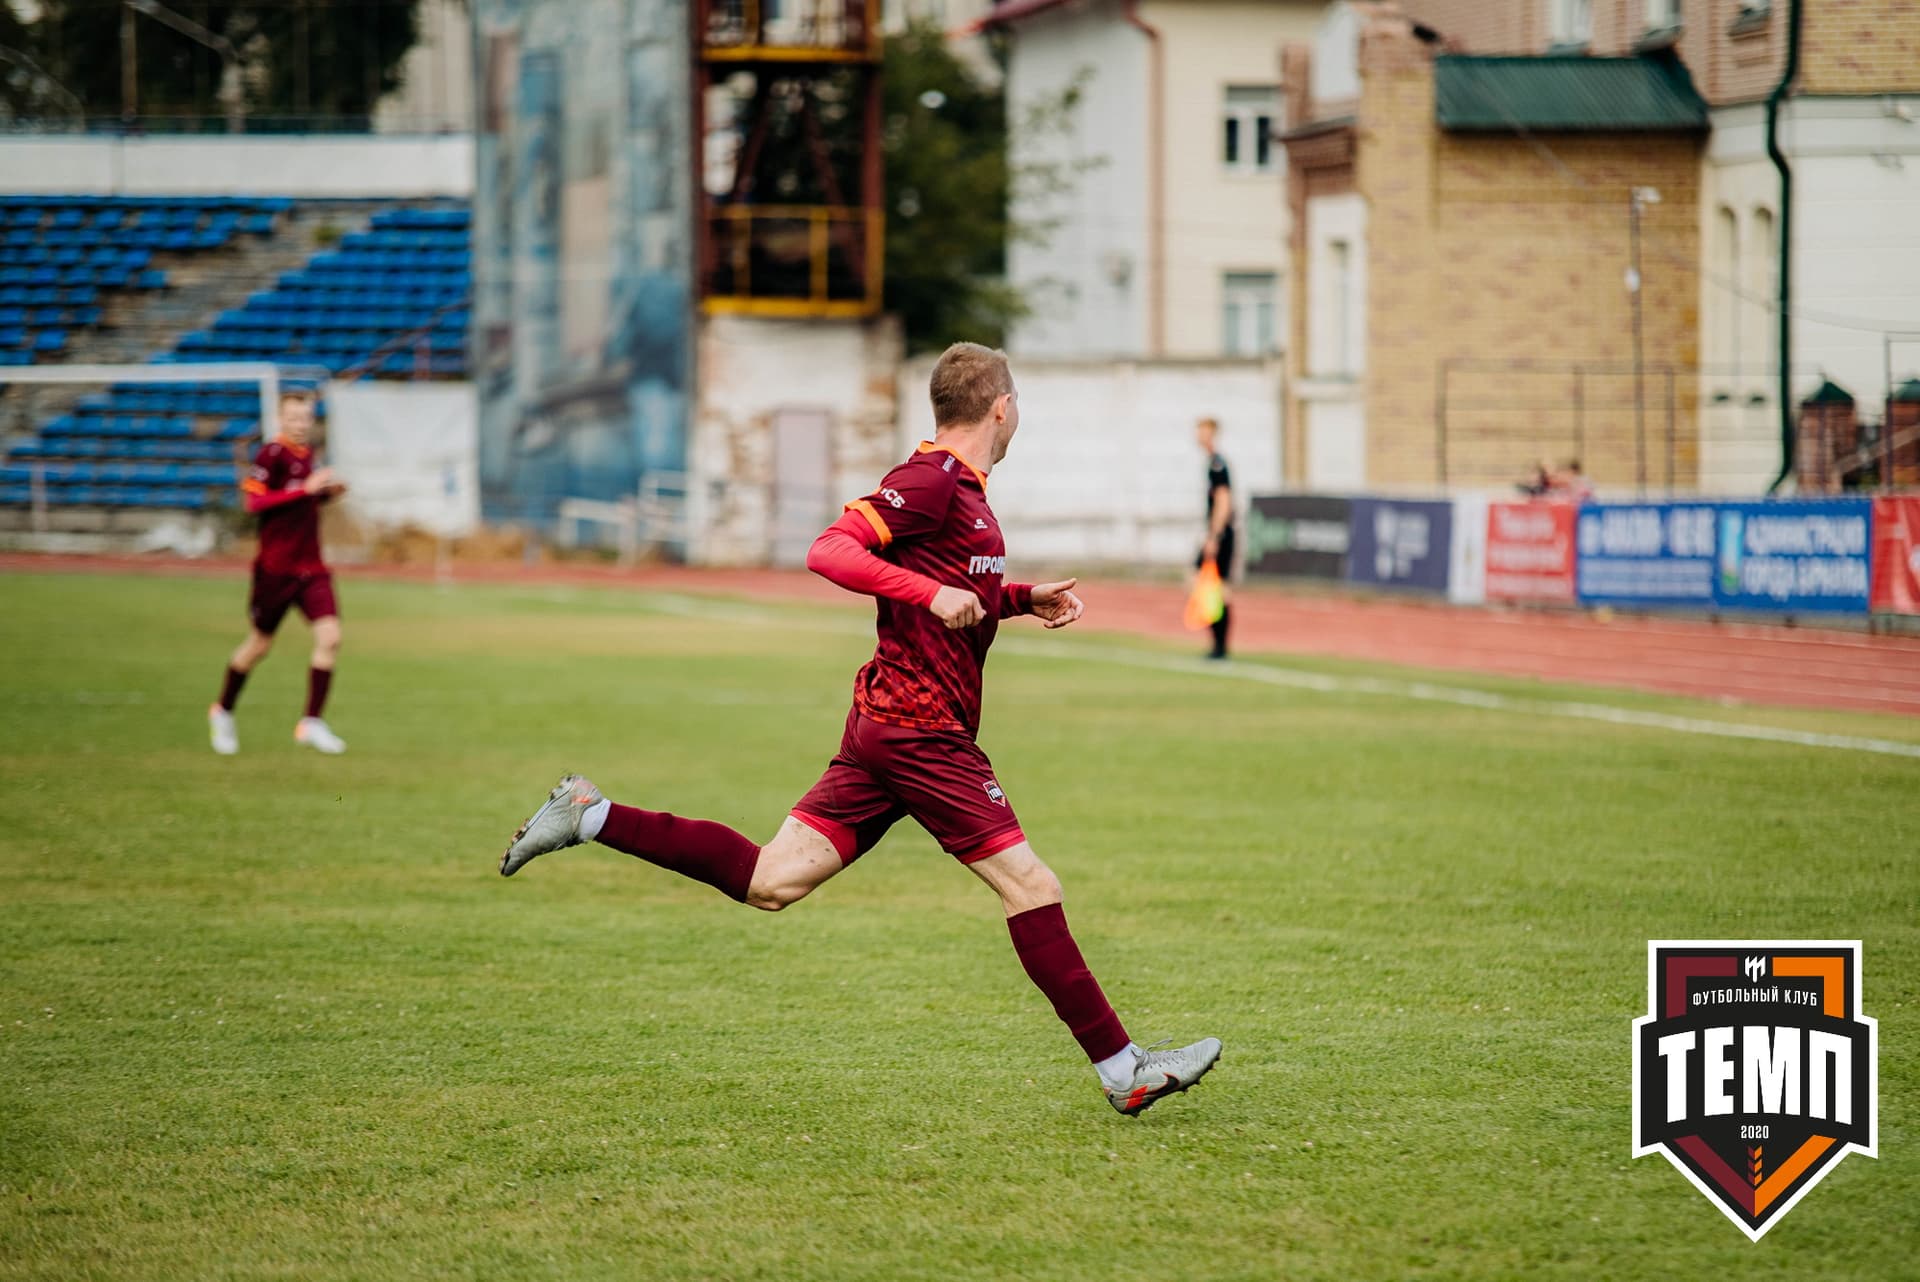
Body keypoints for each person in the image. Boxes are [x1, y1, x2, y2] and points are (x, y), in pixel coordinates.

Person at [498, 342, 1222, 1116]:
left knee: (772, 881)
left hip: (887, 726)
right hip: (920, 730)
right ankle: (1124, 1071)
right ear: (1002, 407)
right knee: (1031, 885)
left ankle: (590, 814)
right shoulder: (931, 480)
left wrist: (1018, 597)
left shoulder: (964, 491)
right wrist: (927, 594)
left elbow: (957, 587)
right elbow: (829, 550)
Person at [207, 390, 349, 755]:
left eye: (306, 418)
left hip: (311, 567)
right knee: (258, 645)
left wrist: (327, 493)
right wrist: (305, 489)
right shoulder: (271, 454)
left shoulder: (308, 456)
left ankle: (312, 722)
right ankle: (223, 710)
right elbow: (254, 502)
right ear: (281, 419)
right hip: (276, 569)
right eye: (294, 418)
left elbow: (304, 500)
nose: (301, 424)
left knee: (331, 637)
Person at [1195, 417, 1235, 659]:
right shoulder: (1211, 462)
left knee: (1216, 588)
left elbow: (1223, 500)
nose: (1199, 436)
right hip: (1218, 533)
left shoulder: (1217, 464)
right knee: (1209, 585)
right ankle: (1217, 644)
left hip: (1221, 534)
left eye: (1204, 431)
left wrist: (1214, 535)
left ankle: (1220, 646)